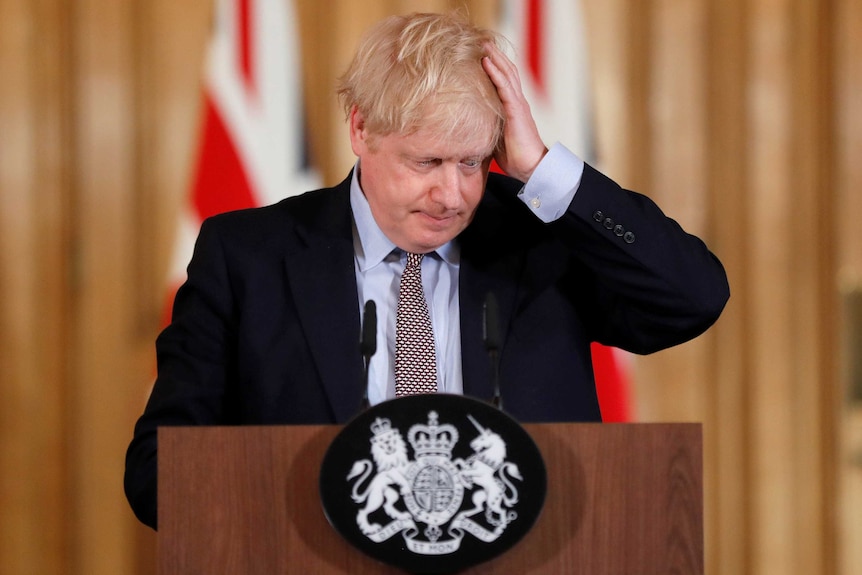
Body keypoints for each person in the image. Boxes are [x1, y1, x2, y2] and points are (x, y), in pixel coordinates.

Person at [125, 11, 729, 530]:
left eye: (472, 162)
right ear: (361, 128)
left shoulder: (540, 241)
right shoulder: (248, 258)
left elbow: (693, 297)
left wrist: (541, 168)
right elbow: (160, 472)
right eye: (428, 161)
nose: (452, 195)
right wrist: (316, 504)